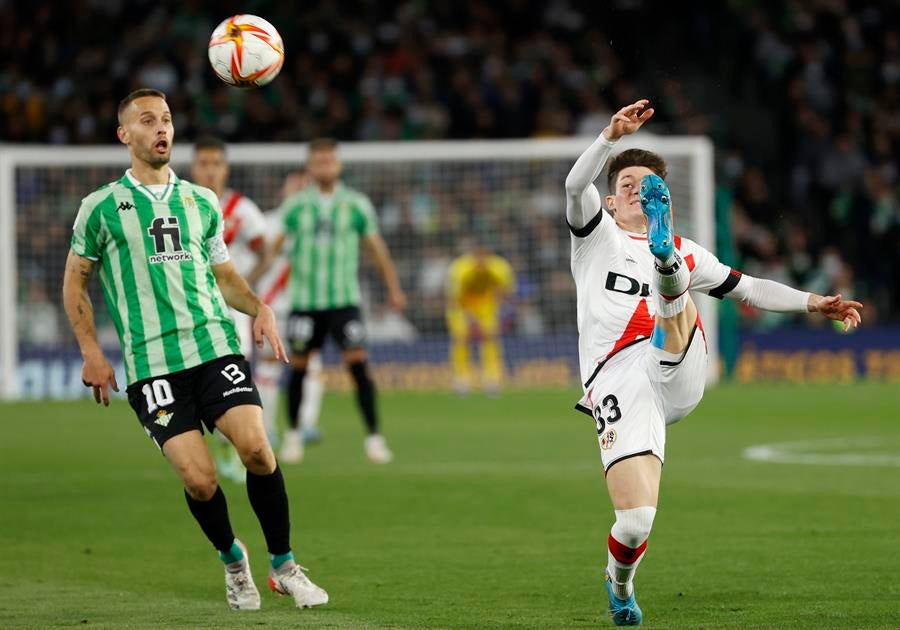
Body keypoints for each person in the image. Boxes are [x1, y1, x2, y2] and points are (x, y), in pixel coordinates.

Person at [564, 99, 863, 626]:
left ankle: (665, 270)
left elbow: (751, 289)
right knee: (635, 522)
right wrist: (609, 137)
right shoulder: (594, 238)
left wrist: (813, 302)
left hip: (677, 362)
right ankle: (619, 584)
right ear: (609, 201)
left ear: (665, 201)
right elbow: (573, 186)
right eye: (627, 185)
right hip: (617, 380)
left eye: (648, 186)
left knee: (676, 284)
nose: (635, 189)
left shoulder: (691, 250)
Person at [61, 88, 329, 611]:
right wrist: (91, 350)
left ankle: (285, 566)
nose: (161, 128)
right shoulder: (99, 209)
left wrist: (260, 308)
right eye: (147, 120)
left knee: (256, 448)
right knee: (200, 480)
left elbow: (225, 276)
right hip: (151, 365)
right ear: (125, 135)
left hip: (213, 347)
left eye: (165, 119)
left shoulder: (200, 201)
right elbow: (75, 284)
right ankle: (234, 561)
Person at [269, 138, 406, 464]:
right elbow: (273, 250)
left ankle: (374, 437)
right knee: (299, 369)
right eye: (318, 161)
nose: (325, 165)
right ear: (310, 167)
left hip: (345, 301)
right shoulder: (296, 206)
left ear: (339, 164)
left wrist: (394, 287)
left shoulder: (356, 204)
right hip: (305, 302)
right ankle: (293, 436)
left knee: (359, 367)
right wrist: (249, 284)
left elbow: (376, 249)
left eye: (329, 160)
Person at [191, 136, 269, 483]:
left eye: (216, 163)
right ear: (194, 167)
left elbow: (266, 252)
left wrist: (244, 285)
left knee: (236, 376)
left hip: (231, 310)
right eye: (203, 163)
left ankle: (233, 445)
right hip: (190, 308)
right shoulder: (182, 203)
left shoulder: (242, 209)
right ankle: (212, 444)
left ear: (226, 168)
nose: (209, 169)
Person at [255, 167, 326, 463]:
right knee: (289, 366)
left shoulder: (285, 224)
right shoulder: (270, 224)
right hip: (278, 307)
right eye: (295, 186)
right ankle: (278, 427)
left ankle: (299, 425)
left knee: (303, 365)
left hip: (300, 305)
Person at [445, 246, 515, 394]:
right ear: (472, 257)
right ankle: (461, 379)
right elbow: (454, 300)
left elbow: (507, 292)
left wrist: (502, 313)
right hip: (462, 305)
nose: (481, 263)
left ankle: (492, 379)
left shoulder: (500, 268)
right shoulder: (460, 269)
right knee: (461, 336)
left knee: (490, 337)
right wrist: (471, 321)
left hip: (486, 305)